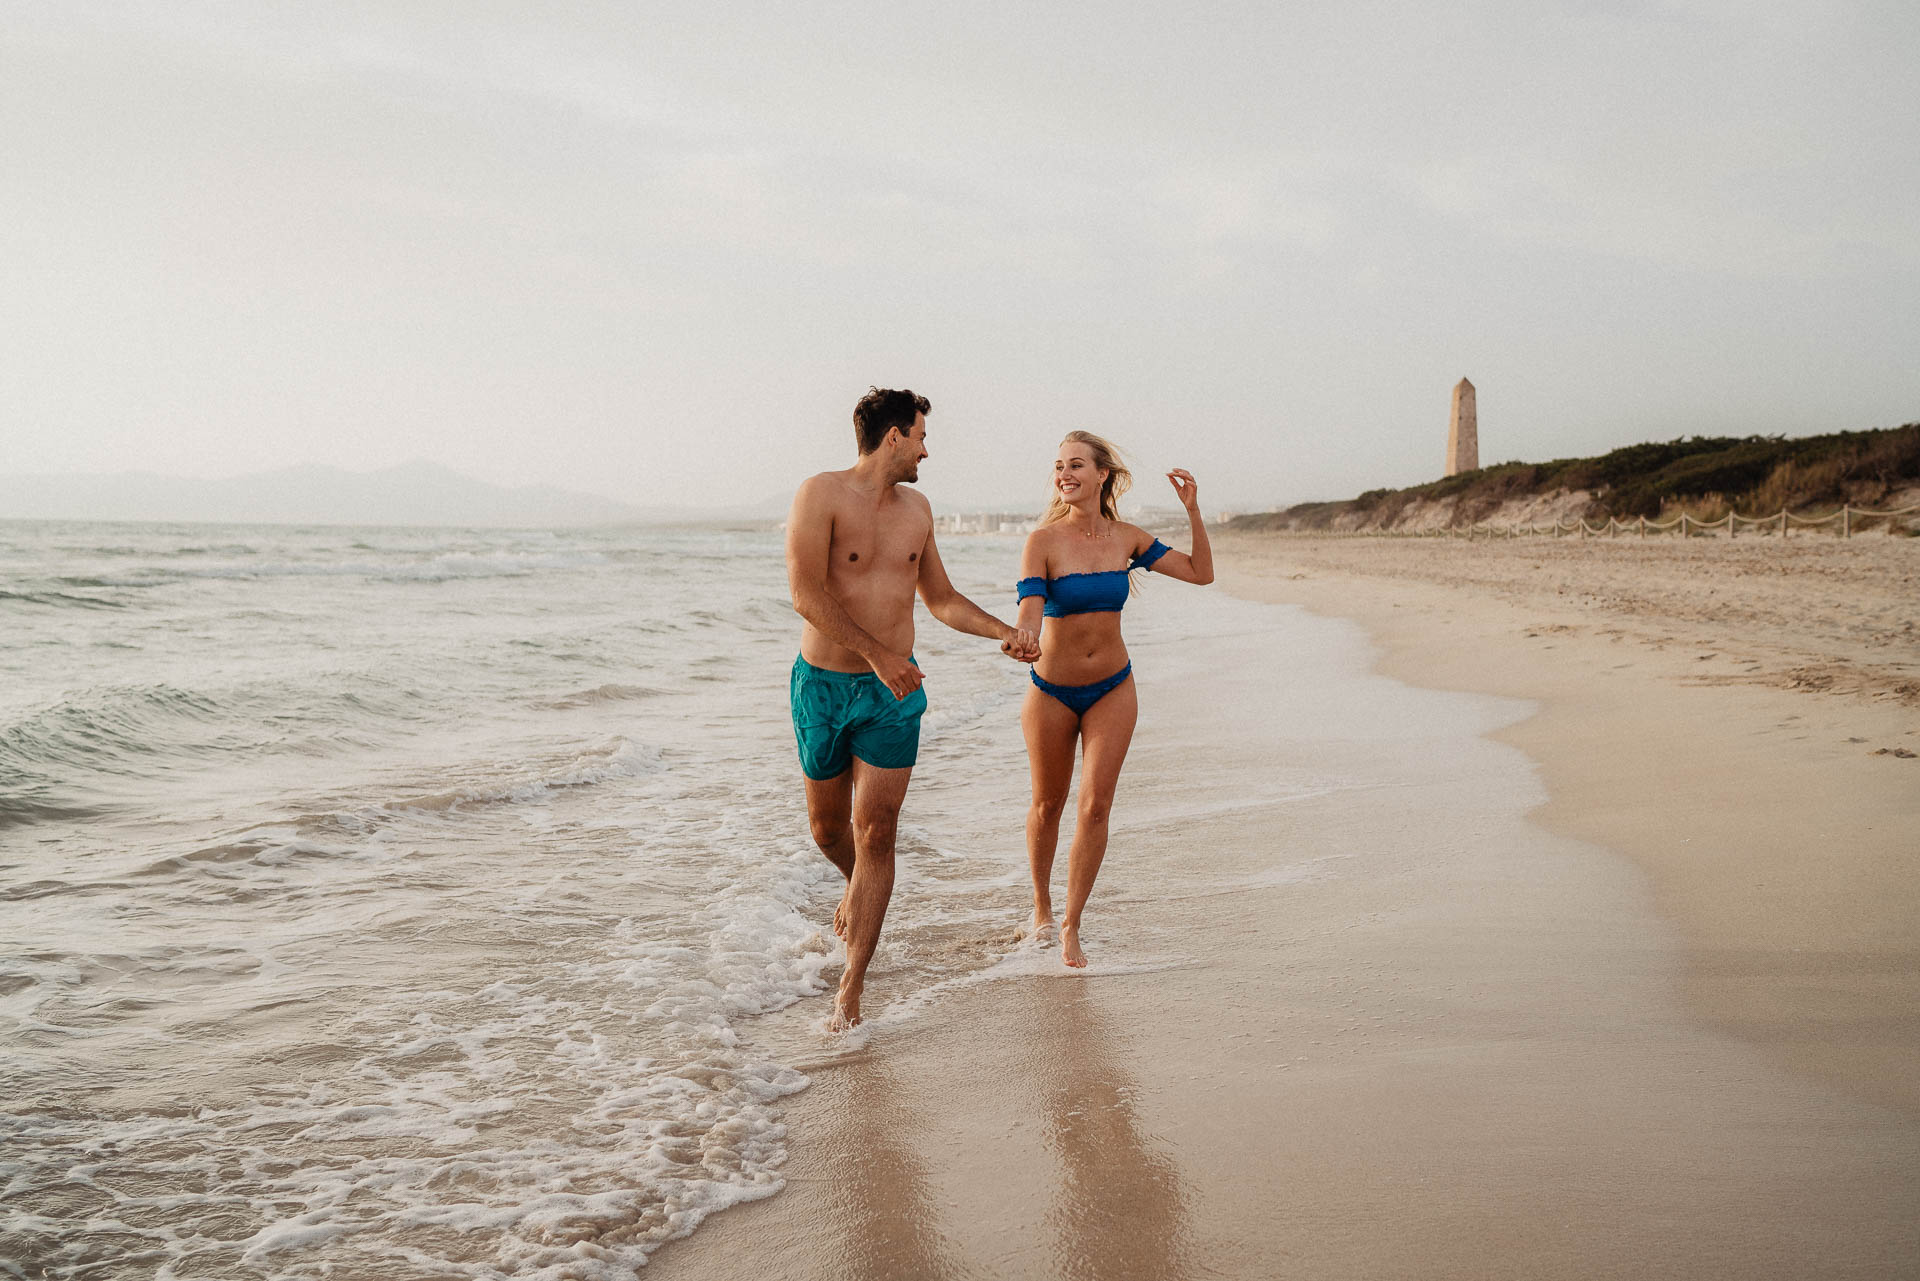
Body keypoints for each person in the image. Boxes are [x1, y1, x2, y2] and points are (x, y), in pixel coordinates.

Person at [786, 387, 1039, 1030]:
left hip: (894, 695)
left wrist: (1003, 632)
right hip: (823, 686)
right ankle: (860, 887)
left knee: (877, 831)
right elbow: (805, 593)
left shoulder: (918, 510)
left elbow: (942, 598)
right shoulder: (820, 494)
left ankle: (851, 989)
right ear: (894, 436)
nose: (927, 451)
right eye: (921, 437)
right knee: (828, 830)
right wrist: (875, 654)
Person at [1015, 431, 1212, 968]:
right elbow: (1029, 610)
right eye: (1059, 466)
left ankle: (1072, 924)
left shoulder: (1127, 538)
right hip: (1051, 692)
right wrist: (1022, 637)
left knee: (1096, 805)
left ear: (1102, 474)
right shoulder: (1042, 542)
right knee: (1047, 805)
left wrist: (1193, 512)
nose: (1064, 474)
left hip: (1113, 686)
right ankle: (1041, 907)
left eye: (1076, 464)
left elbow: (1201, 573)